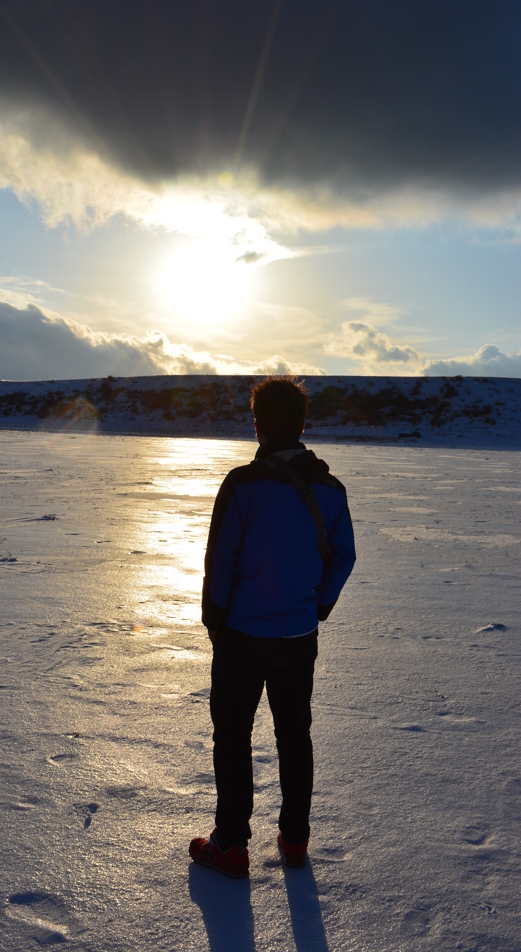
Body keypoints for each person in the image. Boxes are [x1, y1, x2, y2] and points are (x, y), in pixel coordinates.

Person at [189, 376, 356, 878]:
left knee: (233, 736)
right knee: (294, 735)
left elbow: (221, 559)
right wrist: (315, 607)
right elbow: (343, 557)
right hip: (297, 637)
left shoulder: (242, 485)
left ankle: (231, 844)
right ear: (302, 425)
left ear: (257, 425)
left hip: (242, 636)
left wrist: (215, 619)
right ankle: (295, 838)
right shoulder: (330, 490)